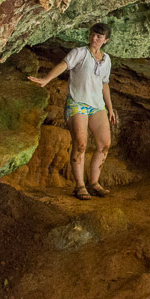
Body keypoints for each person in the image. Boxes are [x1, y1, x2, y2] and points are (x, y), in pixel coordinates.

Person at [28, 23, 117, 200]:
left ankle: (94, 183)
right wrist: (46, 79)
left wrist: (110, 108)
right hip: (78, 103)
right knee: (81, 143)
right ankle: (80, 186)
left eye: (99, 37)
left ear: (105, 40)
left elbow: (104, 84)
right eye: (92, 34)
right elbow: (63, 65)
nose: (94, 38)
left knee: (104, 144)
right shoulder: (79, 52)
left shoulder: (106, 59)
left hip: (97, 105)